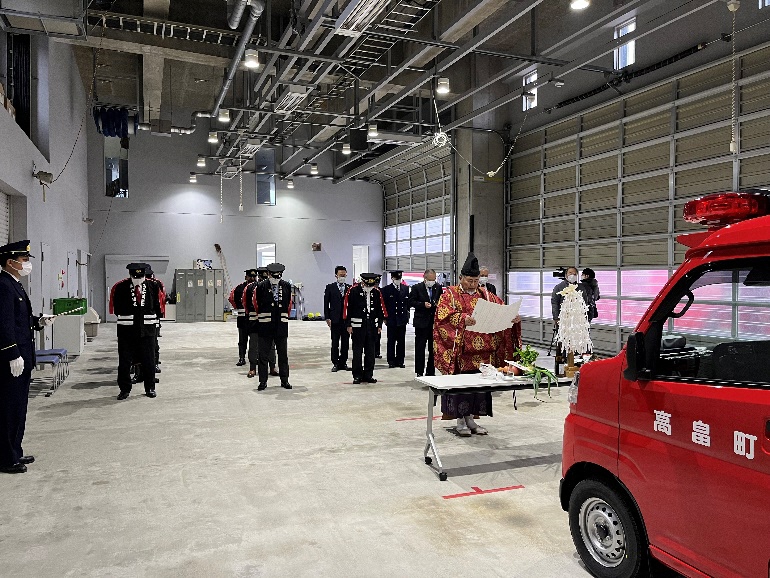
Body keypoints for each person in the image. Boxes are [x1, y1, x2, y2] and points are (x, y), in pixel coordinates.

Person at [433, 252, 522, 436]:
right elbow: (442, 317)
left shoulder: (487, 295)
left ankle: (472, 419)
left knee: (479, 388)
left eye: (476, 280)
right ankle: (460, 421)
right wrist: (462, 319)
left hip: (483, 352)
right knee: (462, 387)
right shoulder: (450, 294)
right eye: (470, 280)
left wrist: (512, 318)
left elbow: (501, 310)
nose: (473, 284)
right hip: (463, 351)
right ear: (461, 278)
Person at [0, 241, 54, 473]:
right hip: (12, 360)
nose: (27, 264)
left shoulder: (15, 285)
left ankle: (15, 452)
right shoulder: (3, 286)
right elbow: (3, 324)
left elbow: (21, 320)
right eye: (23, 260)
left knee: (19, 408)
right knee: (8, 410)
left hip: (23, 357)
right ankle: (5, 458)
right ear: (10, 262)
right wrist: (12, 353)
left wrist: (39, 321)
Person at [109, 263, 162, 400]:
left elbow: (157, 306)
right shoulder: (121, 287)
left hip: (147, 330)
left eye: (141, 276)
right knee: (125, 362)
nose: (138, 279)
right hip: (126, 331)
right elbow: (117, 308)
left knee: (149, 360)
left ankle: (150, 387)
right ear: (130, 275)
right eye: (135, 276)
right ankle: (124, 389)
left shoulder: (153, 286)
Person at [252, 263, 293, 390]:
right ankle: (263, 381)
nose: (276, 278)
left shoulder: (286, 286)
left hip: (281, 325)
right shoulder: (261, 286)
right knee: (263, 355)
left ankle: (284, 380)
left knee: (283, 354)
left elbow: (289, 304)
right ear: (269, 274)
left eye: (278, 276)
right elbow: (256, 303)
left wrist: (285, 317)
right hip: (265, 325)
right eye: (274, 276)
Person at [344, 273, 387, 384]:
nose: (370, 287)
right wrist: (348, 324)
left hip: (372, 326)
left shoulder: (376, 292)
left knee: (370, 352)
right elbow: (347, 308)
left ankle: (368, 375)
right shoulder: (353, 290)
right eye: (368, 285)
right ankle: (357, 375)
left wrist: (379, 325)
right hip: (357, 326)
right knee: (357, 352)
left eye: (371, 285)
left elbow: (380, 310)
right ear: (362, 282)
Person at [409, 269, 442, 377]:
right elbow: (411, 302)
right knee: (420, 348)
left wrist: (437, 304)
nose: (432, 282)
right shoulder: (416, 288)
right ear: (425, 278)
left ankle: (430, 371)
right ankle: (419, 371)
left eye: (434, 280)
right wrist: (422, 304)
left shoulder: (438, 287)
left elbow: (442, 300)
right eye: (430, 280)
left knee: (433, 349)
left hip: (434, 323)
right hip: (421, 322)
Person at [380, 270, 410, 368]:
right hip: (392, 319)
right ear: (392, 278)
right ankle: (391, 360)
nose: (398, 280)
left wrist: (407, 315)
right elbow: (383, 305)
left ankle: (400, 360)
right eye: (396, 278)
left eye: (400, 278)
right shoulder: (386, 289)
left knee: (401, 341)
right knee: (391, 341)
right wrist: (384, 317)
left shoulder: (405, 288)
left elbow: (407, 303)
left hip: (402, 319)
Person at [324, 265, 351, 372]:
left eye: (344, 275)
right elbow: (326, 304)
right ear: (336, 275)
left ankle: (343, 362)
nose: (342, 277)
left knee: (345, 342)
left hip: (346, 320)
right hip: (334, 319)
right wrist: (327, 317)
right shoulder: (330, 287)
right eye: (341, 275)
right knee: (335, 342)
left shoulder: (350, 288)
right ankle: (335, 363)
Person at [229, 269, 257, 366]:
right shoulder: (239, 288)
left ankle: (254, 357)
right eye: (250, 276)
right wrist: (239, 308)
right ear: (246, 277)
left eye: (254, 276)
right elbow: (231, 298)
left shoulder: (259, 286)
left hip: (253, 318)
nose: (252, 278)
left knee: (254, 340)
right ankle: (242, 357)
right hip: (243, 318)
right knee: (242, 340)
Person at [144, 265, 165, 373]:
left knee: (153, 343)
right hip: (141, 320)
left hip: (153, 317)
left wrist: (160, 315)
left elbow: (161, 299)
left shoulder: (156, 284)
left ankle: (155, 363)